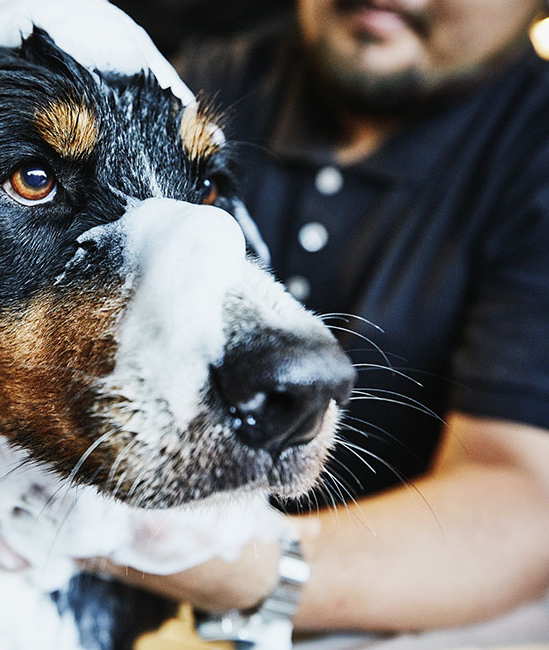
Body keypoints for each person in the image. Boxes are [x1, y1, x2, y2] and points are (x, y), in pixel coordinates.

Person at [97, 0, 549, 635]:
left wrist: (237, 569)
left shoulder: (535, 155)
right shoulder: (195, 81)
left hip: (405, 616)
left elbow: (522, 498)